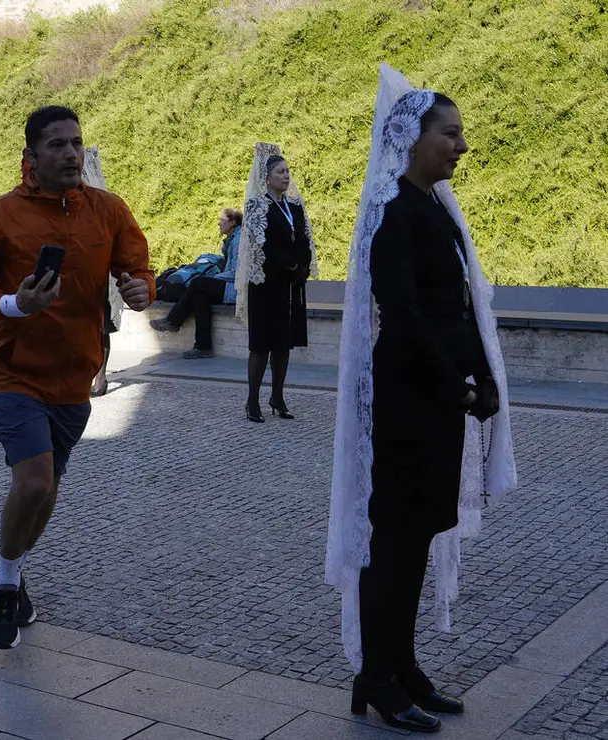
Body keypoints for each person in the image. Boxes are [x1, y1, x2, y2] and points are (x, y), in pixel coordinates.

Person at [325, 64, 517, 733]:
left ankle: (397, 666)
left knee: (417, 533)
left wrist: (482, 378)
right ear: (410, 137)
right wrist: (457, 382)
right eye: (450, 133)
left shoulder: (429, 206)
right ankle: (378, 676)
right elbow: (404, 317)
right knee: (395, 541)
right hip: (407, 397)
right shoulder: (393, 213)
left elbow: (454, 308)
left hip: (434, 397)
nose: (461, 146)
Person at [0, 105, 154, 649]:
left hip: (76, 379)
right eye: (58, 146)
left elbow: (137, 266)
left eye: (76, 144)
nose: (71, 154)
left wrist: (140, 289)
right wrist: (16, 304)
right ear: (32, 158)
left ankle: (14, 576)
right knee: (35, 481)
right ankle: (2, 584)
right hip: (17, 376)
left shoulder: (108, 210)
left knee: (46, 493)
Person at [235, 145, 317, 422]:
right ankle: (252, 401)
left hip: (290, 284)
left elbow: (304, 238)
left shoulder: (294, 206)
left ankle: (278, 397)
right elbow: (261, 243)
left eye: (288, 171)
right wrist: (288, 263)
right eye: (280, 172)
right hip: (266, 283)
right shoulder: (257, 206)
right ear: (266, 178)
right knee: (261, 345)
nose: (286, 176)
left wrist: (302, 265)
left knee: (283, 344)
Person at [149, 208, 243, 358]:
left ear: (232, 222)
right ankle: (203, 347)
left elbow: (237, 273)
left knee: (199, 282)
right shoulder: (232, 239)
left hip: (234, 289)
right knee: (200, 296)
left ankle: (173, 321)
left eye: (222, 220)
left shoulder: (238, 240)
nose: (218, 223)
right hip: (229, 286)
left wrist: (215, 278)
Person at [81, 146, 123, 397]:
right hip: (87, 277)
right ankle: (95, 376)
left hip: (99, 277)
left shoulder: (103, 205)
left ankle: (100, 376)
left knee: (100, 329)